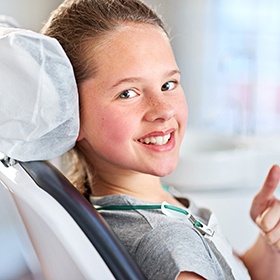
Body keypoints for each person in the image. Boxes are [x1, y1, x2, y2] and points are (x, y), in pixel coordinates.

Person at [41, 0, 280, 279]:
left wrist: (270, 245)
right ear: (70, 115)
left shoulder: (156, 207)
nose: (164, 109)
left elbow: (237, 272)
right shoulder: (167, 242)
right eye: (128, 93)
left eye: (168, 84)